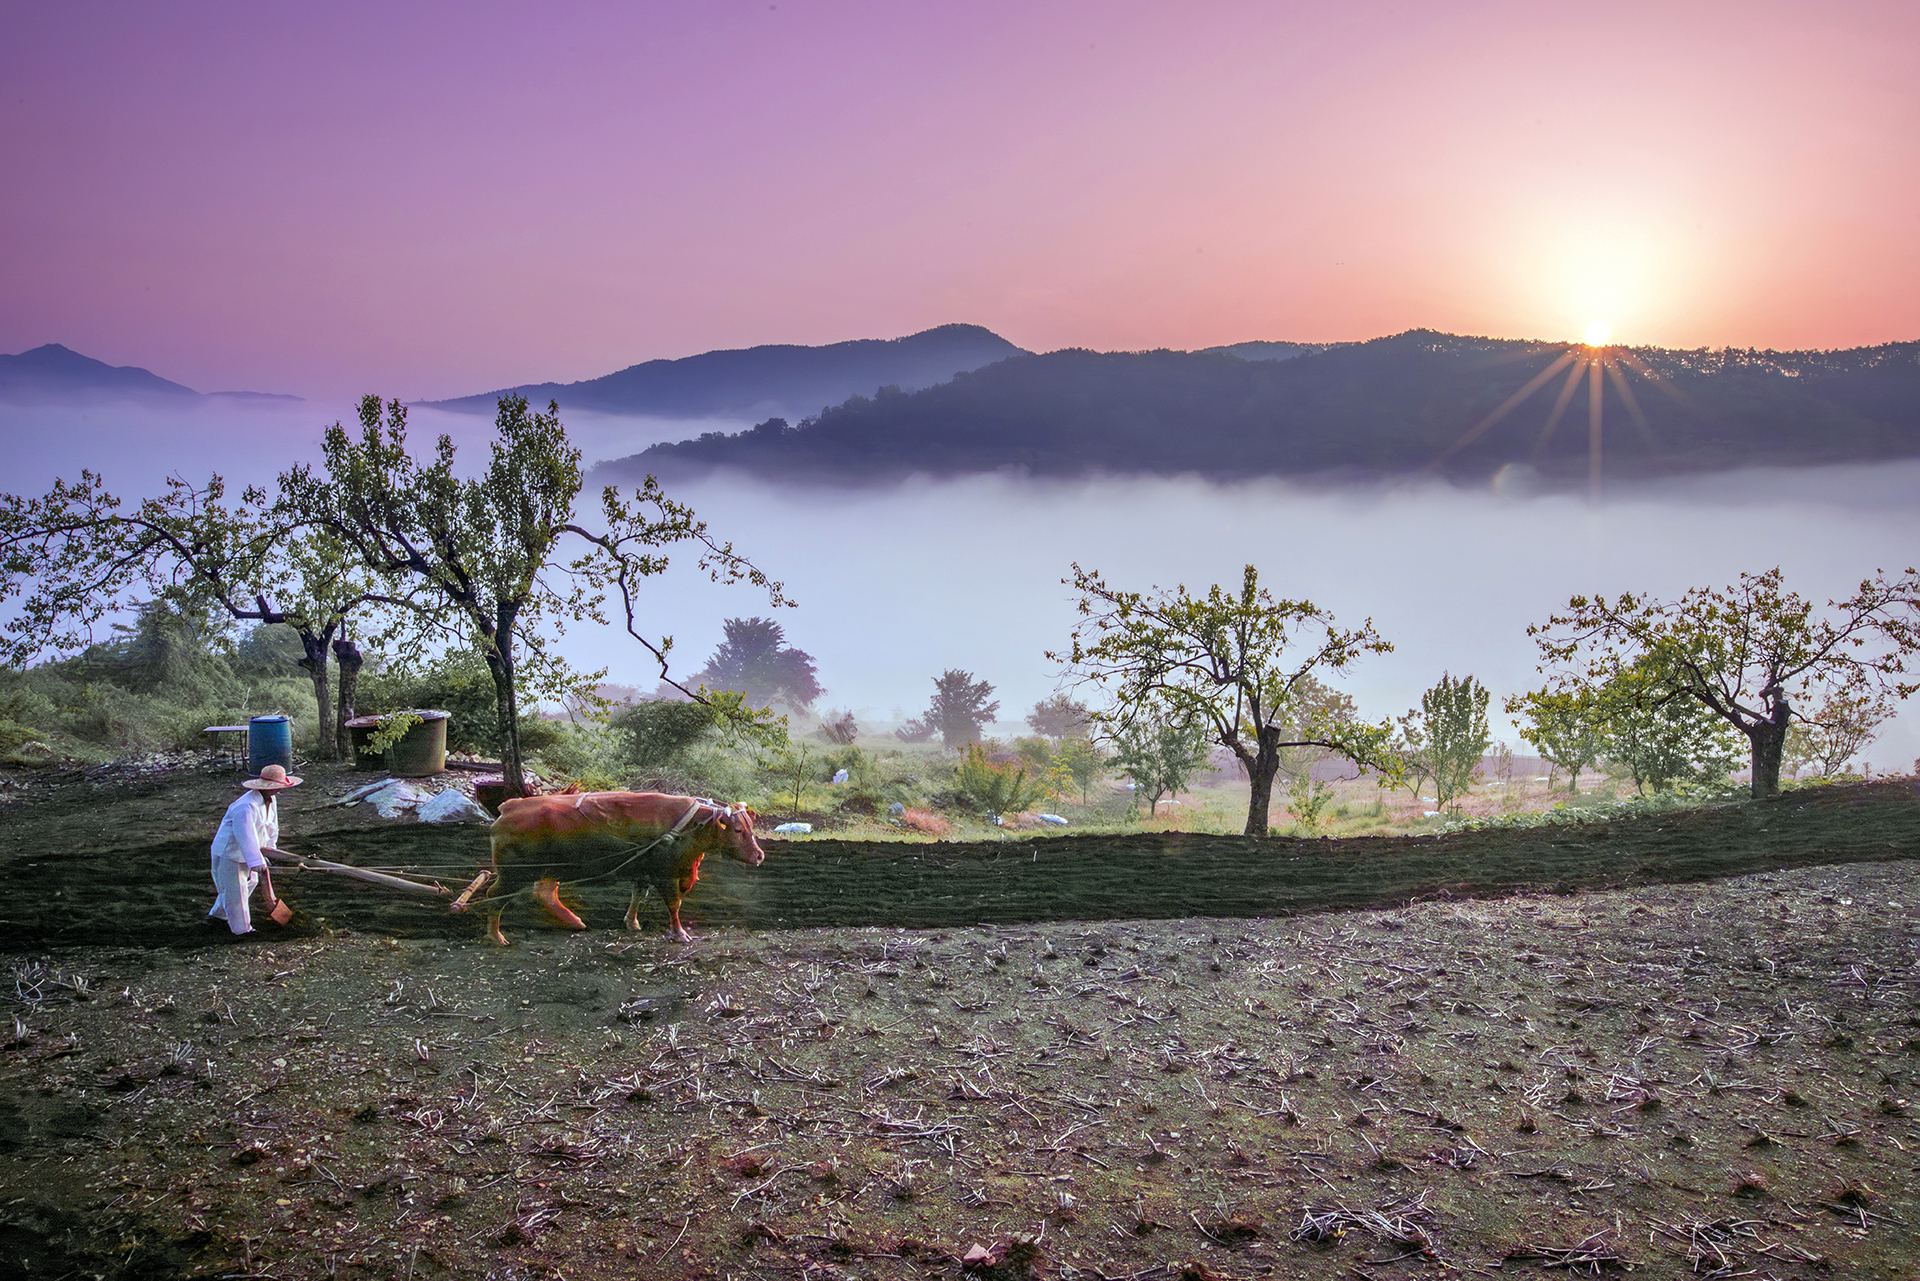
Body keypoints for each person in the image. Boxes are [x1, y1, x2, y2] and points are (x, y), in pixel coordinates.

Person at [208, 763, 298, 935]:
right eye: (278, 786)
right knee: (237, 891)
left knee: (252, 882)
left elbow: (272, 826)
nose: (280, 790)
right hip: (230, 853)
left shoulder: (270, 800)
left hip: (251, 851)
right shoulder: (246, 806)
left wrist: (270, 850)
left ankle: (218, 915)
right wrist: (256, 861)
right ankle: (243, 931)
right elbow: (245, 835)